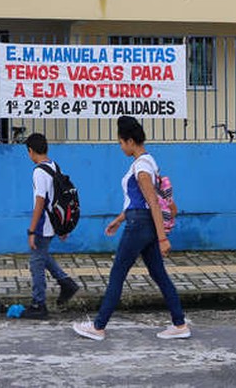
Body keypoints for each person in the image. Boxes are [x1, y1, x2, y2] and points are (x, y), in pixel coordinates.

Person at [72, 116, 190, 341]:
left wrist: (163, 238)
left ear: (129, 141)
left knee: (118, 273)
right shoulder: (149, 162)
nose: (120, 147)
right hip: (142, 222)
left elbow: (152, 203)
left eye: (120, 143)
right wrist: (119, 220)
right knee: (159, 274)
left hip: (139, 226)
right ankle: (179, 323)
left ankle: (98, 327)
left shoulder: (142, 167)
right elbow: (141, 202)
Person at [22, 133, 80, 319]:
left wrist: (32, 230)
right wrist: (61, 227)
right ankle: (66, 283)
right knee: (42, 256)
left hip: (43, 224)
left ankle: (39, 304)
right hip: (53, 222)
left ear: (31, 151)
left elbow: (40, 202)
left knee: (36, 263)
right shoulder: (54, 166)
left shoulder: (39, 172)